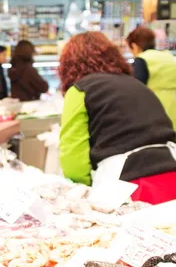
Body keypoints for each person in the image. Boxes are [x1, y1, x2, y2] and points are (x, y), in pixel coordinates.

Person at [58, 32, 176, 205]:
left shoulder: (80, 91)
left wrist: (83, 192)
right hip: (170, 174)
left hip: (127, 187)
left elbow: (73, 158)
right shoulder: (136, 84)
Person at [126, 26, 176, 127]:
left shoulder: (142, 60)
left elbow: (137, 88)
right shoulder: (169, 56)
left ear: (134, 46)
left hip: (155, 108)